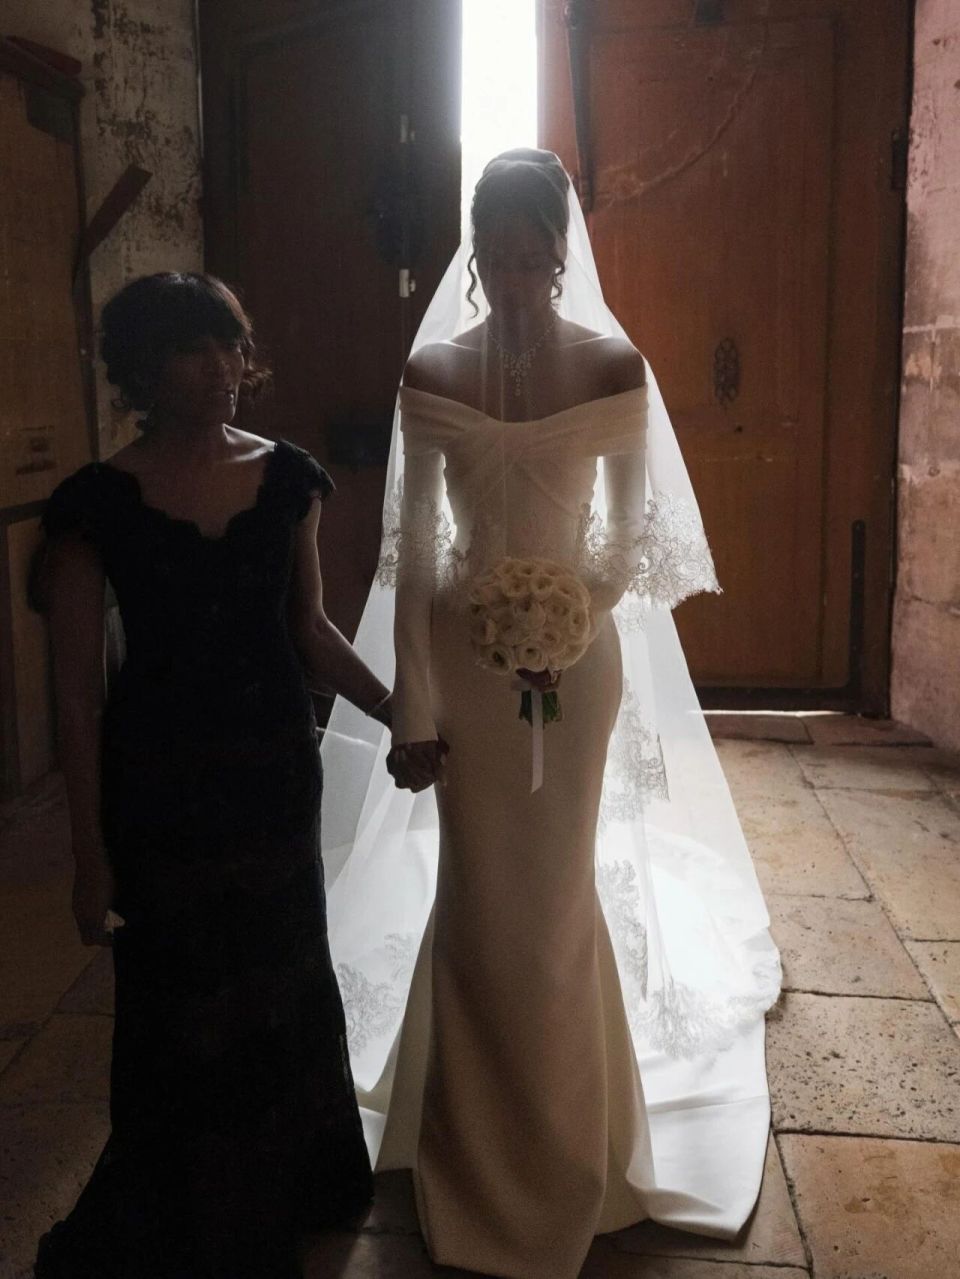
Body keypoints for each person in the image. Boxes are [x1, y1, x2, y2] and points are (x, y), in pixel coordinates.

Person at [320, 151, 782, 1279]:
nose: (521, 276)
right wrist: (415, 697)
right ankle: (472, 1153)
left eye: (538, 256)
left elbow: (624, 538)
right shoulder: (432, 367)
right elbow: (414, 552)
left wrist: (565, 622)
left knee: (554, 893)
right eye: (502, 255)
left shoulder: (613, 365)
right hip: (461, 662)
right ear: (476, 254)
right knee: (480, 896)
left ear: (562, 254)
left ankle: (575, 1144)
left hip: (575, 660)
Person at [34, 272, 387, 1278]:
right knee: (178, 992)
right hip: (158, 785)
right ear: (144, 368)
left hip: (274, 771)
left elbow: (311, 629)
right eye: (195, 349)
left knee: (281, 975)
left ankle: (292, 1182)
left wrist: (398, 712)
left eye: (231, 345)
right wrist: (88, 859)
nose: (223, 367)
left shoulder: (289, 480)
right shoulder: (94, 504)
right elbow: (74, 699)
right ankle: (193, 1202)